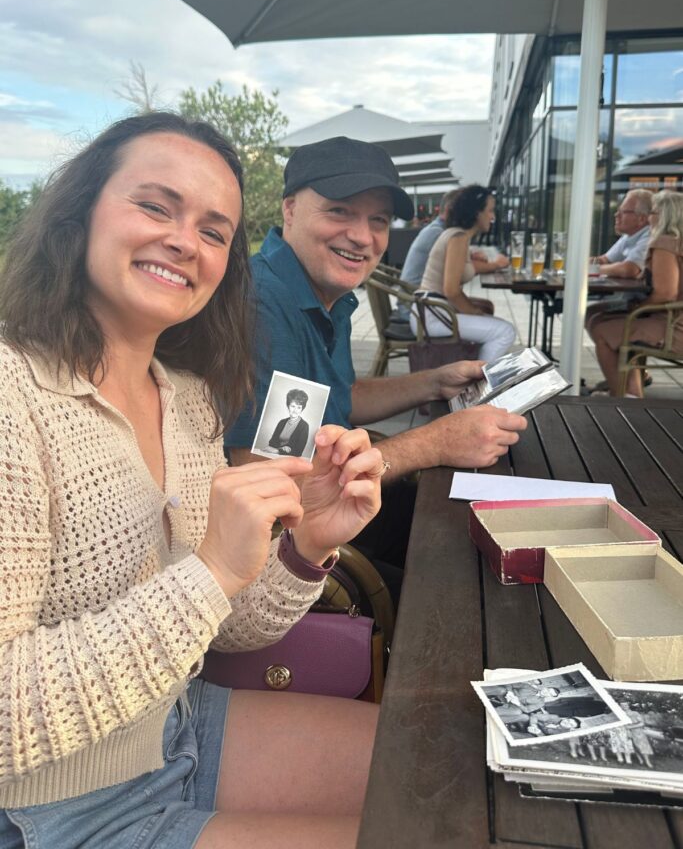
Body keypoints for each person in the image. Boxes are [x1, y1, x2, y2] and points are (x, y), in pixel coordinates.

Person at [0, 114, 385, 849]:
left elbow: (224, 629)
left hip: (175, 726)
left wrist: (305, 547)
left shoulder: (187, 399)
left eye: (213, 231)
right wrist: (209, 571)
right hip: (50, 810)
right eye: (154, 206)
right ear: (79, 215)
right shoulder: (13, 397)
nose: (185, 240)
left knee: (432, 773)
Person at [225, 138, 526, 574]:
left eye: (378, 220)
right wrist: (435, 442)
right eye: (339, 211)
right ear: (289, 209)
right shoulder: (262, 305)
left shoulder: (323, 292)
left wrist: (436, 381)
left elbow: (342, 396)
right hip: (286, 552)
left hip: (335, 508)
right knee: (462, 578)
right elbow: (278, 481)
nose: (363, 237)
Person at [588, 189, 683, 397]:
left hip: (673, 327)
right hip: (671, 320)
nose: (650, 218)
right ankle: (630, 389)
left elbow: (666, 293)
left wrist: (640, 307)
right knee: (607, 320)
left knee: (603, 329)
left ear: (665, 215)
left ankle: (622, 397)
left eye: (654, 213)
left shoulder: (665, 243)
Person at [414, 184, 516, 361]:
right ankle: (477, 384)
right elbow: (451, 290)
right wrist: (474, 312)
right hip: (432, 316)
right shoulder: (458, 238)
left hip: (430, 311)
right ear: (477, 213)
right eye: (490, 211)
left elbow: (467, 269)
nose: (493, 217)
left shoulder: (456, 235)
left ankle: (475, 379)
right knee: (505, 331)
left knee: (495, 324)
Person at [268, 388, 310, 456]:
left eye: (299, 407)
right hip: (275, 455)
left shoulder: (304, 426)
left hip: (290, 458)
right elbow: (272, 443)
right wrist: (281, 449)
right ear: (288, 406)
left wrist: (280, 451)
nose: (295, 410)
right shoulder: (281, 422)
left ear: (302, 409)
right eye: (293, 406)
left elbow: (299, 451)